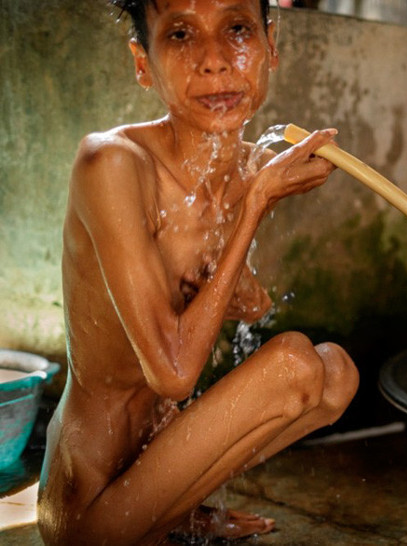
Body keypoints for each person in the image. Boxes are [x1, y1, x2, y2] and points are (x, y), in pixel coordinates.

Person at [36, 0, 359, 543]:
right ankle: (154, 516)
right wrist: (255, 206)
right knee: (294, 365)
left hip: (153, 466)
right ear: (143, 63)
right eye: (182, 35)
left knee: (337, 374)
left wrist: (236, 256)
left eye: (237, 29)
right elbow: (174, 374)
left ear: (270, 46)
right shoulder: (111, 163)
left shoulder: (248, 168)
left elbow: (250, 306)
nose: (215, 60)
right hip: (87, 511)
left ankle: (173, 509)